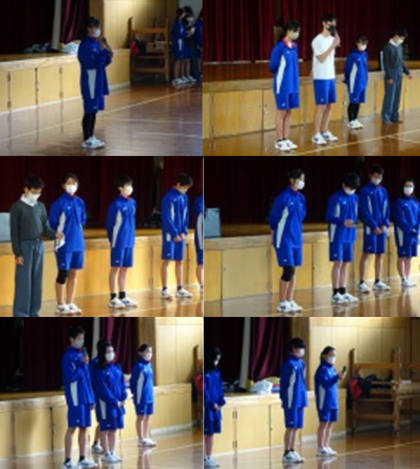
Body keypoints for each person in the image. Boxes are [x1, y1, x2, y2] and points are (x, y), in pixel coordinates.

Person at [10, 175, 64, 317]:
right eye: (34, 192)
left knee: (36, 280)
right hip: (25, 246)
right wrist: (18, 253)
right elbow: (14, 233)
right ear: (26, 190)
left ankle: (34, 312)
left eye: (39, 192)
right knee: (24, 282)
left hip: (39, 245)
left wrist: (55, 234)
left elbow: (46, 228)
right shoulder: (17, 207)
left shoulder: (40, 206)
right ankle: (21, 313)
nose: (36, 195)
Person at [269, 169, 306, 314]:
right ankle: (282, 302)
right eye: (300, 179)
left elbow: (302, 216)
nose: (302, 182)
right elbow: (274, 218)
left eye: (303, 179)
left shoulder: (301, 198)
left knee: (294, 270)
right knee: (288, 269)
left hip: (297, 238)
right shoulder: (283, 198)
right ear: (292, 180)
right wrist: (273, 234)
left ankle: (290, 300)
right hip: (284, 238)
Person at [49, 173, 86, 315]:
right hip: (64, 244)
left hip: (78, 243)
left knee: (74, 273)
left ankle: (70, 302)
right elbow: (53, 224)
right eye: (69, 183)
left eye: (74, 183)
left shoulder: (80, 202)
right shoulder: (58, 204)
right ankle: (60, 304)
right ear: (63, 185)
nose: (72, 185)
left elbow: (82, 220)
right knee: (63, 273)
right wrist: (57, 234)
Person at [62, 326, 97, 469]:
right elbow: (70, 377)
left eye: (83, 338)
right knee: (72, 427)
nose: (81, 341)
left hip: (85, 397)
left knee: (84, 427)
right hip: (76, 398)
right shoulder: (68, 357)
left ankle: (83, 458)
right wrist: (82, 365)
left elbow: (87, 379)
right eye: (79, 338)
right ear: (71, 339)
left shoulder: (82, 355)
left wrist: (91, 398)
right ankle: (67, 461)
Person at [78, 17, 113, 150]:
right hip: (90, 79)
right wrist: (102, 54)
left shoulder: (96, 43)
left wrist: (108, 55)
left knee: (94, 110)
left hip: (98, 78)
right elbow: (90, 63)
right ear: (89, 29)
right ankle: (86, 138)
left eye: (98, 27)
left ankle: (91, 136)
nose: (97, 30)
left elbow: (102, 62)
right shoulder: (85, 45)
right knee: (89, 109)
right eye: (95, 27)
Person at [326, 173, 360, 305]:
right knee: (338, 263)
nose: (351, 190)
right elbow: (329, 216)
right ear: (344, 185)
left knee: (346, 263)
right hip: (338, 235)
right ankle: (335, 293)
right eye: (349, 188)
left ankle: (343, 290)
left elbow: (356, 215)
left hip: (350, 235)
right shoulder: (336, 198)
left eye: (354, 189)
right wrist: (342, 222)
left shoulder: (355, 198)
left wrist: (354, 222)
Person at [91, 340, 127, 464]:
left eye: (112, 351)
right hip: (105, 404)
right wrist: (114, 400)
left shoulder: (116, 367)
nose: (111, 354)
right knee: (105, 428)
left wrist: (123, 397)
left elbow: (122, 383)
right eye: (108, 352)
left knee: (114, 428)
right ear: (102, 353)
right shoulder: (98, 370)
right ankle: (106, 453)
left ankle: (112, 452)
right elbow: (102, 389)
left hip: (118, 404)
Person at [106, 175, 138, 309]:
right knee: (115, 268)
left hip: (129, 241)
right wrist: (113, 239)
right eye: (127, 185)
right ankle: (113, 297)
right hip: (119, 241)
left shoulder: (132, 203)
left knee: (125, 268)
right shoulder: (115, 205)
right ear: (120, 188)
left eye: (130, 185)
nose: (130, 188)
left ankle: (122, 295)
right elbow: (110, 225)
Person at [269, 21, 301, 152]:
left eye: (298, 32)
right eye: (295, 31)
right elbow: (272, 66)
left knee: (289, 111)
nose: (297, 34)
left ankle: (285, 138)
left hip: (293, 84)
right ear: (288, 31)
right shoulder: (279, 47)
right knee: (281, 111)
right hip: (282, 84)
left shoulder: (294, 46)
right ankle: (279, 140)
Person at [358, 165, 391, 293]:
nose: (377, 178)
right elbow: (365, 210)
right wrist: (374, 226)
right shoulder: (365, 191)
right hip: (370, 228)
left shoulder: (383, 191)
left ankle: (378, 281)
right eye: (375, 176)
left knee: (380, 254)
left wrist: (385, 224)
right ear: (370, 175)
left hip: (382, 228)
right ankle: (362, 282)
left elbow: (387, 209)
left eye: (380, 176)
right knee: (366, 253)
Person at [161, 173, 193, 299]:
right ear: (178, 184)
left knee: (180, 260)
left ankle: (180, 288)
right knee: (167, 260)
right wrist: (174, 233)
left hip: (181, 234)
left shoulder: (184, 197)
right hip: (170, 234)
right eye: (184, 187)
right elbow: (167, 218)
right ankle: (164, 289)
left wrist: (184, 231)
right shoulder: (168, 197)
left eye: (187, 188)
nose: (185, 190)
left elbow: (186, 215)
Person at [311, 14, 340, 146]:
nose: (332, 26)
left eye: (334, 23)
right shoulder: (317, 40)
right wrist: (332, 46)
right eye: (330, 23)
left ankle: (324, 130)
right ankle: (316, 134)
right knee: (321, 106)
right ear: (324, 23)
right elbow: (321, 58)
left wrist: (334, 43)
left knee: (329, 105)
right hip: (321, 77)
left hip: (330, 76)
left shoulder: (332, 39)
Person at [280, 338, 308, 464]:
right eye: (299, 348)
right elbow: (284, 384)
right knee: (290, 427)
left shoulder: (302, 364)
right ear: (293, 349)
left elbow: (303, 380)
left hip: (301, 399)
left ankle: (292, 450)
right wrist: (285, 398)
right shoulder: (288, 364)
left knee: (296, 427)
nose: (302, 351)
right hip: (291, 400)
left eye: (302, 348)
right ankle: (286, 453)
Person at [315, 346, 345, 458]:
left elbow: (333, 384)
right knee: (323, 424)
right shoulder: (321, 369)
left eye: (334, 355)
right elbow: (326, 384)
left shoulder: (332, 368)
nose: (333, 357)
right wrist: (337, 377)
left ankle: (326, 445)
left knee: (330, 424)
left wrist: (338, 377)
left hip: (333, 401)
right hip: (324, 401)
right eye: (331, 355)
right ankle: (320, 447)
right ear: (324, 356)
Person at [393, 178, 420, 288]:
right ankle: (403, 279)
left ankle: (408, 278)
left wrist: (417, 230)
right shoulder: (399, 202)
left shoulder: (415, 202)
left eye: (410, 186)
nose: (408, 188)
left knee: (409, 256)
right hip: (403, 234)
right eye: (406, 186)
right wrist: (409, 229)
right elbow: (399, 219)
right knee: (402, 256)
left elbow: (418, 217)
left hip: (414, 234)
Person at [382, 28, 412, 124]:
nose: (401, 40)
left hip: (399, 72)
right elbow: (386, 64)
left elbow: (401, 61)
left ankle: (394, 116)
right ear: (396, 35)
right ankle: (386, 117)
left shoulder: (400, 47)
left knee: (397, 96)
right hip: (391, 72)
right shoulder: (387, 47)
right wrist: (389, 76)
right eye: (401, 38)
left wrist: (407, 72)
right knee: (390, 96)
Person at [130, 344, 156, 447]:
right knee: (141, 416)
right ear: (140, 353)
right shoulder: (138, 366)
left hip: (149, 395)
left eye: (151, 352)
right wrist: (135, 394)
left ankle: (146, 436)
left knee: (148, 416)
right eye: (147, 351)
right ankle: (141, 438)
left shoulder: (149, 366)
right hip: (141, 396)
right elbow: (133, 382)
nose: (149, 354)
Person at [204, 346, 225, 468]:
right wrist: (211, 403)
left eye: (218, 360)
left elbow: (220, 388)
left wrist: (221, 402)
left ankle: (209, 456)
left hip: (216, 407)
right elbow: (205, 391)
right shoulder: (205, 373)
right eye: (215, 359)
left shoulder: (217, 372)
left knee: (211, 433)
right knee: (205, 433)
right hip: (208, 408)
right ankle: (203, 457)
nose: (216, 362)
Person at [344, 36, 369, 130]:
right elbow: (348, 68)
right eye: (361, 43)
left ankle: (355, 119)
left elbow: (365, 68)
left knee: (358, 101)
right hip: (354, 82)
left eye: (365, 44)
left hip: (362, 82)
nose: (363, 46)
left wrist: (365, 80)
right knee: (353, 101)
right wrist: (347, 79)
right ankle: (350, 121)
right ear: (357, 43)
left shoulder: (365, 54)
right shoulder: (352, 55)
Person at [171, 8, 195, 86]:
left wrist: (188, 33)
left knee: (181, 60)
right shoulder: (176, 24)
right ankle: (176, 78)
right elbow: (179, 34)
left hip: (181, 43)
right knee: (178, 61)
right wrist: (188, 34)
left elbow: (182, 33)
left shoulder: (180, 22)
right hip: (178, 43)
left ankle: (180, 77)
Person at [193, 192, 204, 292]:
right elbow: (200, 217)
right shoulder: (199, 201)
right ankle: (202, 285)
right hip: (201, 234)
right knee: (201, 261)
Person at [195, 10, 203, 80]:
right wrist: (198, 45)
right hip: (198, 44)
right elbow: (196, 35)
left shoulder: (201, 24)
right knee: (199, 59)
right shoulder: (197, 23)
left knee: (201, 58)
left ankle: (202, 71)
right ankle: (199, 72)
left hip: (202, 43)